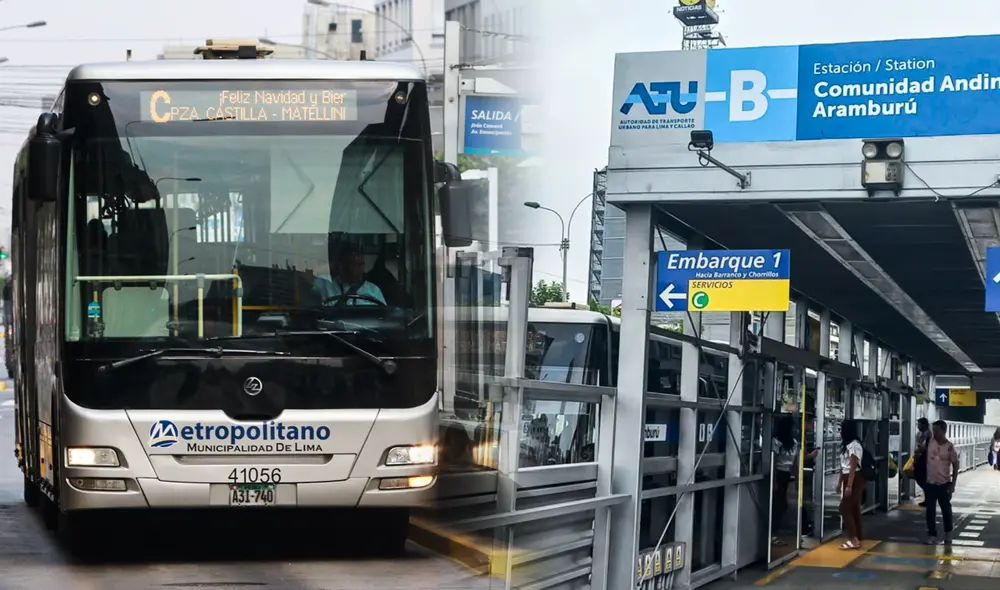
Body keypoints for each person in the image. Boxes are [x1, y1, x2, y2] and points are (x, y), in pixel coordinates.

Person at [312, 243, 386, 306]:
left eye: (361, 264)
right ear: (342, 265)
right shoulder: (325, 285)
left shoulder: (373, 290)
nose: (360, 269)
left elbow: (384, 315)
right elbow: (306, 276)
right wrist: (330, 267)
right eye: (355, 264)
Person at [924, 419, 960, 545]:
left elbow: (955, 465)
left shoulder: (950, 448)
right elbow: (921, 451)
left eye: (937, 430)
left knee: (946, 509)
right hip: (930, 483)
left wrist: (953, 484)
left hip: (944, 483)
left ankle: (948, 532)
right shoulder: (929, 442)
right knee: (930, 510)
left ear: (944, 431)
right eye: (933, 430)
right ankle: (931, 534)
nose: (934, 433)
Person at [838, 419, 866, 550]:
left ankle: (853, 539)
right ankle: (858, 535)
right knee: (854, 508)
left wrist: (849, 485)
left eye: (842, 429)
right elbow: (843, 466)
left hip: (854, 478)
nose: (840, 432)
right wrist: (840, 482)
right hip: (848, 477)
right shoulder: (847, 445)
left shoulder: (854, 445)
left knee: (844, 508)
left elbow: (852, 467)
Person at [915, 418, 931, 506]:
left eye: (919, 424)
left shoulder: (929, 434)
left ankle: (929, 499)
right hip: (920, 458)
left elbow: (924, 447)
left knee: (924, 479)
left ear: (924, 425)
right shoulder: (919, 434)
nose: (918, 426)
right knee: (920, 478)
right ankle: (928, 498)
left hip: (926, 459)